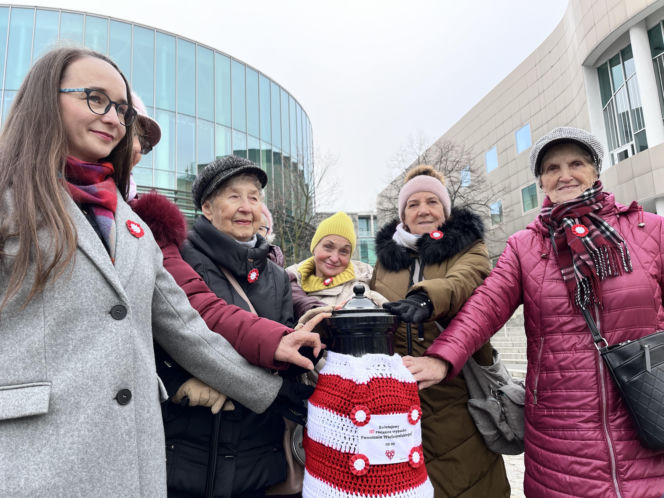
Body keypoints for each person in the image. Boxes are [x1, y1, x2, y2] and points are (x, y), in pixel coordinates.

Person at [0, 47, 319, 497]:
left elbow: (185, 326)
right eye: (95, 98)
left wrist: (270, 390)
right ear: (44, 99)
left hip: (132, 456)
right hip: (32, 458)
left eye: (121, 109)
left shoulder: (133, 226)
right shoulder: (9, 202)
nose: (113, 118)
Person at [405, 127, 664, 497]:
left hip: (649, 413)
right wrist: (442, 358)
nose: (565, 175)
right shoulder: (525, 246)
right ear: (541, 181)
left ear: (595, 170)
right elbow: (486, 306)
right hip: (561, 434)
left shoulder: (648, 230)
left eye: (576, 163)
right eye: (552, 168)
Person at [153, 155, 301, 497]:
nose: (246, 207)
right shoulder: (178, 259)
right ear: (207, 208)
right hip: (185, 453)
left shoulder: (277, 276)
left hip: (257, 457)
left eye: (254, 197)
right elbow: (150, 335)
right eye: (234, 196)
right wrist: (177, 382)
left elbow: (284, 356)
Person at [371, 165, 510, 497]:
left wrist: (425, 299)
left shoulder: (468, 247)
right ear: (403, 214)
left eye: (432, 201)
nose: (423, 210)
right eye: (413, 204)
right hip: (398, 404)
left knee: (470, 485)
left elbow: (464, 280)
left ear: (445, 209)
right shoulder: (386, 263)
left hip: (457, 396)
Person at [287, 211, 386, 319]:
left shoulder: (360, 291)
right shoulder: (286, 281)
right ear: (314, 247)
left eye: (343, 251)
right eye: (328, 247)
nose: (334, 258)